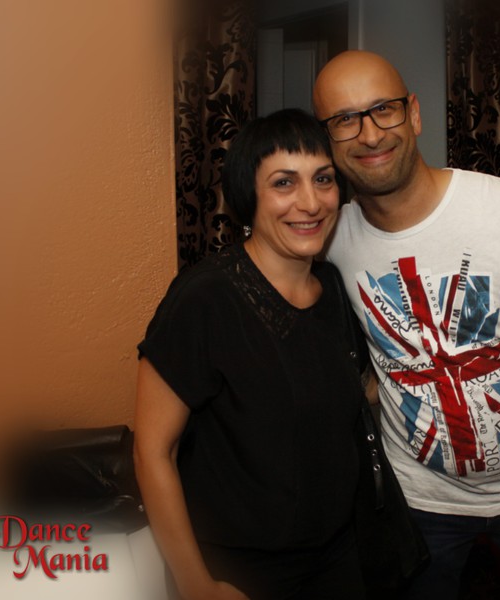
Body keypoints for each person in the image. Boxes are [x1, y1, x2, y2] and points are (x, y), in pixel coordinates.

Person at [313, 50, 500, 599]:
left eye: (383, 109)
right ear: (327, 138)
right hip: (419, 503)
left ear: (414, 113)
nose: (369, 134)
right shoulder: (329, 237)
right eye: (345, 119)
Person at [133, 108, 368, 600]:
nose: (311, 202)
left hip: (339, 558)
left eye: (323, 179)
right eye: (284, 183)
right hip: (238, 571)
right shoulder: (206, 298)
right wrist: (195, 583)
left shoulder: (332, 287)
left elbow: (342, 400)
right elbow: (154, 451)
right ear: (248, 196)